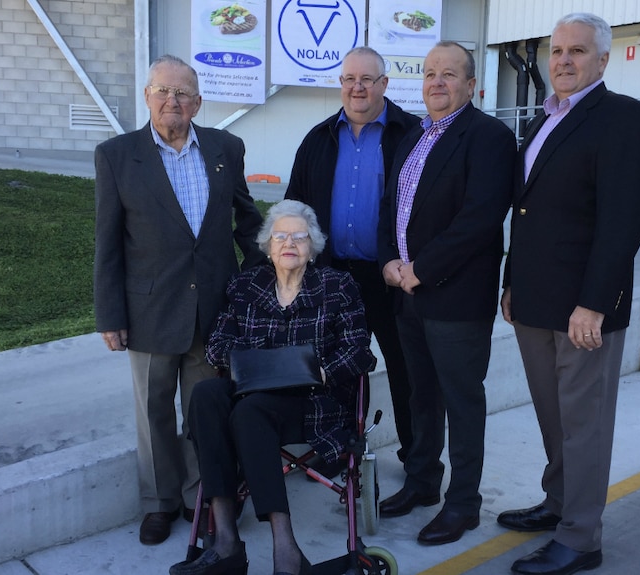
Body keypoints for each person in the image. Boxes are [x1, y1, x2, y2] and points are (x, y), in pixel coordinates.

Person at [497, 13, 640, 575]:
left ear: (603, 60)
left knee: (584, 426)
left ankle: (581, 538)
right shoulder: (544, 121)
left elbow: (623, 221)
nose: (563, 60)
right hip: (536, 305)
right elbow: (528, 214)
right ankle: (559, 503)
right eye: (557, 50)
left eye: (578, 52)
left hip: (582, 311)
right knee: (554, 419)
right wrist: (511, 281)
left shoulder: (623, 119)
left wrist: (595, 301)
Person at [94, 54, 265, 546]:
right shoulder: (116, 155)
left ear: (198, 101)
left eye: (183, 93)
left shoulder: (225, 147)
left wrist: (255, 280)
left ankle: (200, 497)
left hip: (213, 311)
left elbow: (247, 221)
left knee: (203, 411)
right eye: (163, 91)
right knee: (153, 413)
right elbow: (107, 244)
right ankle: (159, 502)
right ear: (147, 96)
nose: (173, 101)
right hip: (148, 309)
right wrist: (110, 314)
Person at [169, 200, 377, 575]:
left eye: (300, 236)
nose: (289, 243)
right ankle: (226, 539)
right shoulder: (246, 285)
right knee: (205, 395)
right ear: (267, 244)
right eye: (280, 235)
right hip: (252, 393)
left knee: (250, 410)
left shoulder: (337, 286)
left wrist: (318, 372)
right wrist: (251, 366)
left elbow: (359, 352)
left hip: (314, 403)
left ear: (312, 245)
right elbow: (218, 343)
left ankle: (286, 548)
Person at [376, 41, 516, 545]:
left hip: (454, 298)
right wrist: (390, 260)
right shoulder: (413, 135)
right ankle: (422, 483)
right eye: (431, 73)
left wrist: (421, 269)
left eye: (450, 74)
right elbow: (393, 206)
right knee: (421, 397)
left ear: (471, 85)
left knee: (461, 402)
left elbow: (479, 219)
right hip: (407, 293)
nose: (437, 81)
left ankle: (463, 504)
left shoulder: (489, 137)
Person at [284, 46, 420, 466]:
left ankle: (417, 460)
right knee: (332, 370)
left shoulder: (411, 135)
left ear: (384, 84)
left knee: (405, 370)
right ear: (340, 84)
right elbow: (295, 208)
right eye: (349, 79)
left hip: (390, 279)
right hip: (331, 277)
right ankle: (332, 450)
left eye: (367, 79)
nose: (357, 87)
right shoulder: (318, 138)